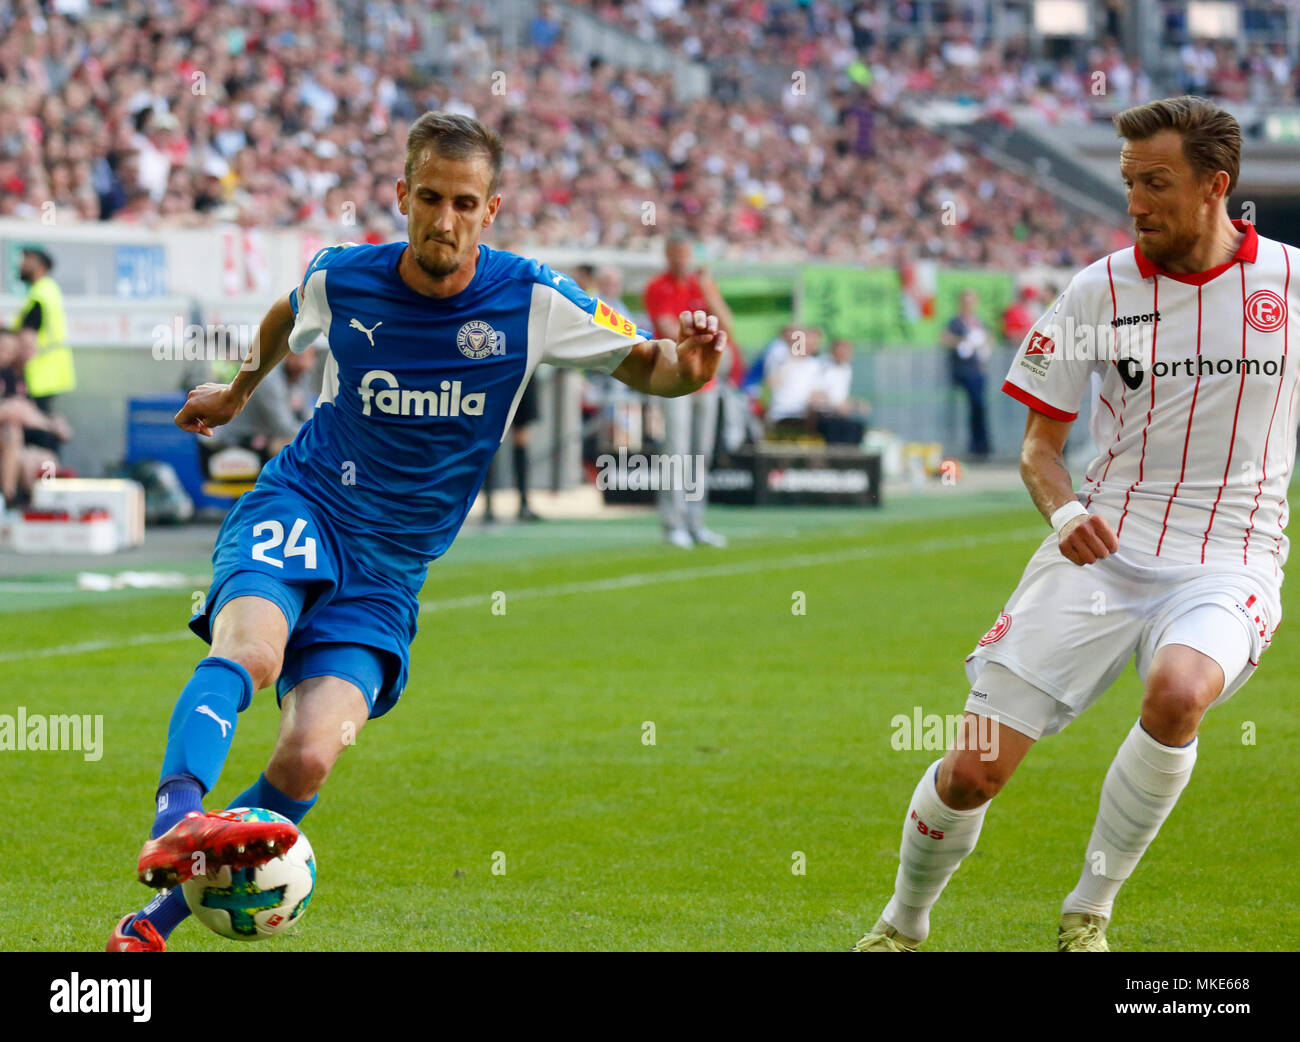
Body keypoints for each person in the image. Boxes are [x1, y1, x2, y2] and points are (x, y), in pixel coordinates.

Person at [107, 111, 728, 952]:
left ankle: (151, 927)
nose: (445, 219)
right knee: (250, 654)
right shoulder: (347, 277)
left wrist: (693, 367)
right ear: (401, 194)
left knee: (308, 759)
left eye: (465, 203)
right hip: (307, 505)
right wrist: (237, 392)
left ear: (492, 209)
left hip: (389, 573)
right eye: (429, 197)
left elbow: (654, 364)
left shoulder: (533, 299)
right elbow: (287, 317)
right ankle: (178, 819)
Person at [854, 96, 1296, 953]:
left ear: (1217, 186)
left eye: (1155, 183)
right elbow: (1038, 448)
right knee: (974, 768)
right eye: (1129, 182)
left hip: (1230, 560)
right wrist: (1063, 512)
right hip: (1099, 549)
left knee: (1176, 696)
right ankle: (903, 925)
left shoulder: (1291, 284)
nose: (1135, 202)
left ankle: (1088, 912)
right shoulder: (1098, 289)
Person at [643, 233, 736, 549]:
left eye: (687, 254)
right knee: (677, 452)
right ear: (668, 255)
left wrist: (709, 289)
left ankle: (696, 522)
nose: (683, 260)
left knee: (701, 454)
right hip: (675, 378)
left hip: (705, 379)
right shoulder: (658, 287)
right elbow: (670, 330)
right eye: (678, 254)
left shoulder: (701, 285)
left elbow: (728, 323)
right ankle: (673, 523)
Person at [12, 246, 75, 445]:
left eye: (26, 259)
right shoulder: (49, 290)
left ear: (39, 265)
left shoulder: (39, 294)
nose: (21, 264)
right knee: (46, 419)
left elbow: (28, 338)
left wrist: (16, 367)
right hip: (52, 371)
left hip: (40, 371)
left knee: (38, 425)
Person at [943, 288, 991, 460]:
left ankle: (981, 445)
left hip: (977, 370)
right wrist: (964, 342)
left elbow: (988, 340)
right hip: (963, 371)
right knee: (973, 404)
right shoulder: (955, 323)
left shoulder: (979, 322)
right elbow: (946, 339)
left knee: (979, 407)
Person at [808, 339, 869, 445]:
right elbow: (815, 397)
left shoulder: (846, 369)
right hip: (823, 416)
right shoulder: (820, 366)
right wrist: (836, 406)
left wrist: (856, 403)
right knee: (836, 429)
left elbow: (841, 397)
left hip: (839, 416)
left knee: (857, 427)